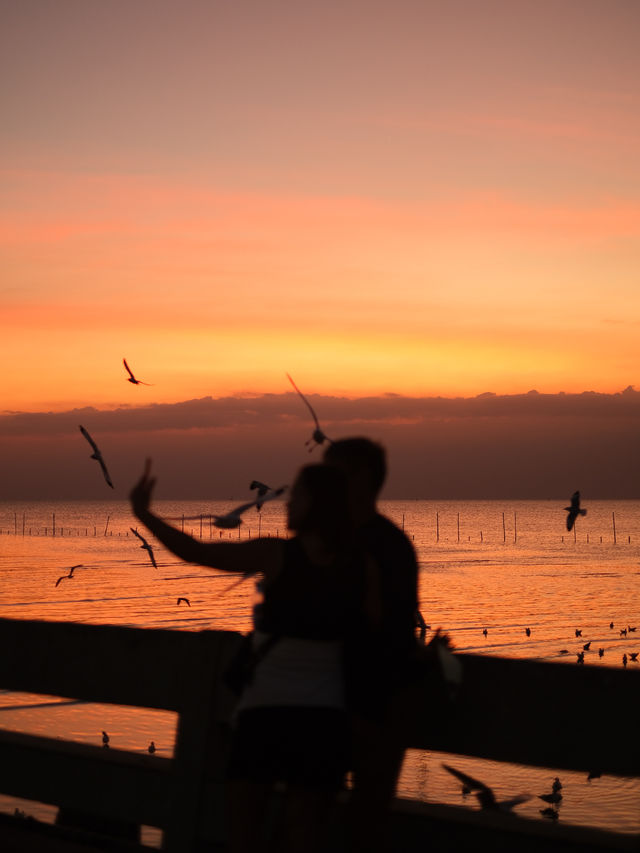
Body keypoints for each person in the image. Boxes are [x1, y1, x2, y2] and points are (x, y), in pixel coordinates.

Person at [130, 459, 361, 853]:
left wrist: (144, 514)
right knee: (306, 833)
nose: (287, 505)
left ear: (315, 505)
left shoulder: (277, 555)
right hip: (325, 720)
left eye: (297, 496)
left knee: (244, 833)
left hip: (265, 715)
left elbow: (196, 552)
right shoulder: (358, 565)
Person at [323, 437, 419, 853]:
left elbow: (390, 631)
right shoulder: (335, 539)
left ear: (362, 479)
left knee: (366, 817)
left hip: (371, 703)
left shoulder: (386, 547)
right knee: (320, 811)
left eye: (334, 472)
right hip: (327, 701)